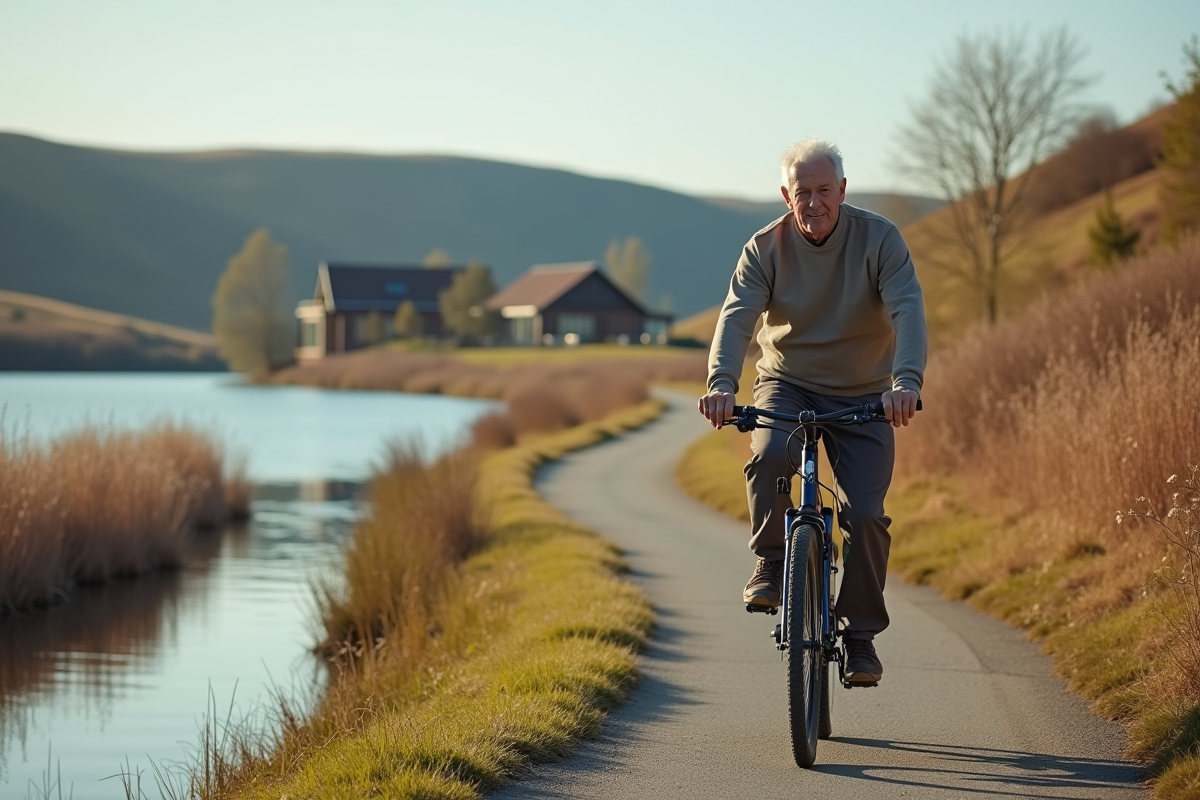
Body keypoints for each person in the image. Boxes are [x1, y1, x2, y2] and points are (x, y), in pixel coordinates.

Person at [697, 139, 927, 685]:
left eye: (826, 190)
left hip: (866, 392)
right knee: (770, 451)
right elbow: (737, 319)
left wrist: (905, 382)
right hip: (788, 383)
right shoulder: (764, 248)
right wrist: (722, 384)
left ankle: (861, 635)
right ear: (787, 196)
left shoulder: (880, 240)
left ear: (843, 190)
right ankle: (773, 561)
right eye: (804, 192)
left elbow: (908, 309)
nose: (815, 202)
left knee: (866, 516)